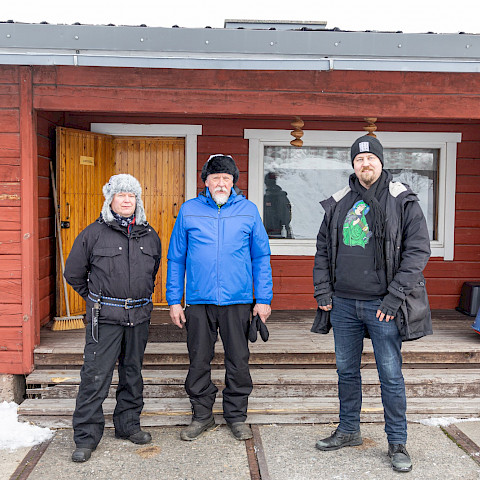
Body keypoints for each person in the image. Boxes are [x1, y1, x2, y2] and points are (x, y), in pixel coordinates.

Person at [312, 135, 432, 473]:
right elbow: (322, 250)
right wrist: (323, 291)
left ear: (381, 162)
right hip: (344, 304)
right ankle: (349, 430)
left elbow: (417, 251)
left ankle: (397, 441)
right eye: (359, 160)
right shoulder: (339, 201)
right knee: (346, 371)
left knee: (390, 375)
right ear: (353, 165)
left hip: (383, 305)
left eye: (371, 159)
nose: (366, 164)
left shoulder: (402, 199)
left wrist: (395, 297)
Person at [167, 154, 273, 442]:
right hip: (199, 301)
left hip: (238, 301)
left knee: (238, 360)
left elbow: (261, 256)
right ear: (205, 182)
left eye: (226, 179)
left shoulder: (248, 211)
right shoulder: (189, 211)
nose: (221, 183)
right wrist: (174, 300)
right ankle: (202, 415)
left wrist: (263, 298)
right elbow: (176, 258)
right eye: (215, 178)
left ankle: (236, 416)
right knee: (198, 359)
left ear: (234, 182)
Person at [64, 174, 161, 463]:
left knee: (132, 374)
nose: (127, 200)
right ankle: (86, 437)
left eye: (132, 196)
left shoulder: (149, 235)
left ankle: (128, 425)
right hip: (103, 318)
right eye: (121, 195)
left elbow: (151, 273)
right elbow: (73, 274)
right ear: (111, 199)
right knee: (95, 377)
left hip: (139, 316)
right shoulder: (93, 233)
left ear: (137, 201)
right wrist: (97, 299)